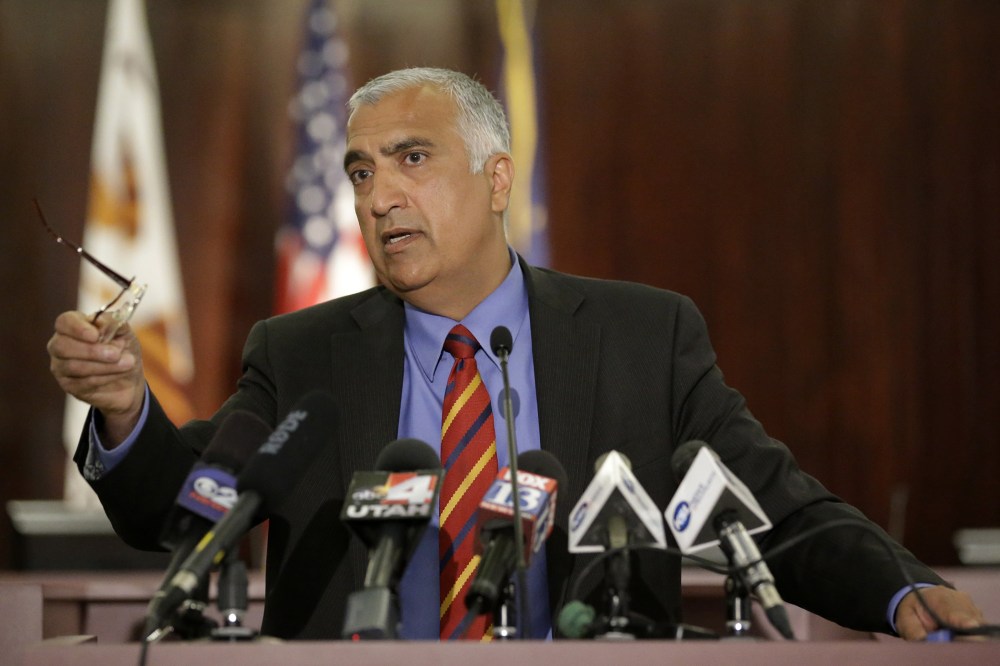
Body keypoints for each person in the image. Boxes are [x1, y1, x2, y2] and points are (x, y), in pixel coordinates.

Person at [48, 67, 984, 642]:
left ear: (499, 179)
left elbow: (768, 504)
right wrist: (129, 413)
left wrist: (901, 587)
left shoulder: (640, 339)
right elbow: (193, 505)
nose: (378, 198)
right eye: (362, 172)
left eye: (413, 159)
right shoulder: (300, 354)